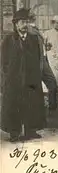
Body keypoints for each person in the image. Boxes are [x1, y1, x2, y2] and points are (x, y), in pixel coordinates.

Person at [0, 8, 46, 142]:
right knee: (14, 105)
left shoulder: (33, 39)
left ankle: (30, 131)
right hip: (14, 79)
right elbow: (3, 61)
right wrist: (7, 77)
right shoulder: (9, 40)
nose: (24, 25)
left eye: (26, 22)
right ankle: (14, 132)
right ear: (16, 24)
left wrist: (36, 76)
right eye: (21, 22)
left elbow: (38, 58)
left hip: (31, 79)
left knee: (32, 104)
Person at [28, 11, 58, 112]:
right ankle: (41, 110)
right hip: (36, 61)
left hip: (43, 59)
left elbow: (39, 43)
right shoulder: (29, 30)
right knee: (36, 86)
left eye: (33, 15)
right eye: (32, 16)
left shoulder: (35, 29)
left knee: (52, 83)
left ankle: (52, 108)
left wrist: (45, 45)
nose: (34, 17)